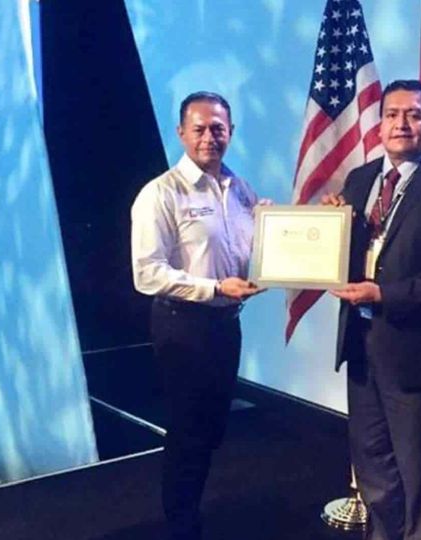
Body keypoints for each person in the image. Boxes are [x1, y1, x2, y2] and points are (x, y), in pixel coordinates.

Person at [323, 80, 421, 540]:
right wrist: (332, 226)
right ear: (379, 125)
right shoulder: (360, 180)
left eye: (414, 115)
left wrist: (384, 295)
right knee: (373, 471)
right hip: (361, 347)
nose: (401, 124)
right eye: (392, 114)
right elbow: (352, 255)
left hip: (416, 354)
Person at [131, 91, 265, 540]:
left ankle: (189, 509)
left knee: (211, 428)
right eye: (200, 128)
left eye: (218, 129)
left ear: (231, 132)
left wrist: (285, 230)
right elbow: (147, 274)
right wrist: (215, 288)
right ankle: (181, 525)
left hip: (226, 325)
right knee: (188, 430)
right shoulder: (160, 193)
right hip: (183, 327)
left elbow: (259, 246)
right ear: (181, 133)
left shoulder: (241, 189)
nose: (210, 137)